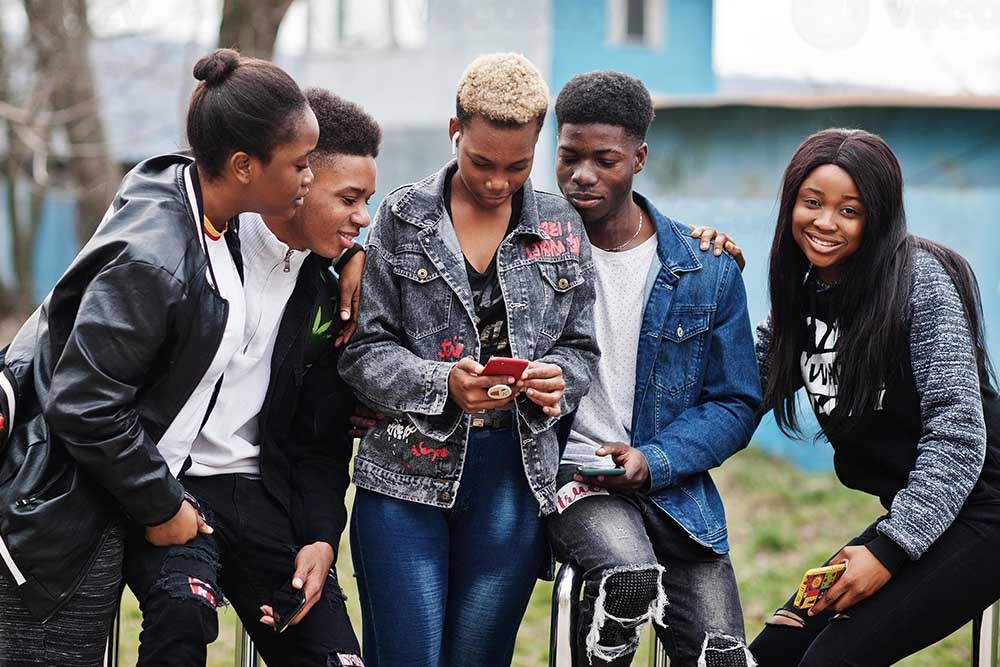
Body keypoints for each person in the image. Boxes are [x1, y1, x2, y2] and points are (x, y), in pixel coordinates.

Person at [0, 49, 317, 666]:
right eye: (301, 164)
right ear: (245, 165)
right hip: (61, 510)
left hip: (104, 494)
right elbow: (85, 405)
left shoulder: (188, 190)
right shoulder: (158, 259)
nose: (310, 176)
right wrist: (163, 505)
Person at [338, 52, 599, 666]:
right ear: (454, 132)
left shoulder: (562, 225)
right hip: (404, 476)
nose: (496, 182)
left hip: (512, 478)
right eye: (481, 161)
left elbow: (582, 349)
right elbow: (364, 354)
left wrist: (559, 379)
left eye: (518, 166)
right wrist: (441, 384)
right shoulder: (401, 218)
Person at [121, 85, 379, 666]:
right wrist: (157, 500)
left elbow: (323, 436)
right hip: (171, 486)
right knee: (182, 615)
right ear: (299, 178)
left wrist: (318, 537)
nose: (363, 218)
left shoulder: (326, 289)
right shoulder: (202, 249)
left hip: (265, 494)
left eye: (368, 200)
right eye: (350, 198)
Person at [746, 128, 1000, 666]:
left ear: (878, 217)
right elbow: (736, 386)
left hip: (985, 507)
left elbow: (957, 434)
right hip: (922, 511)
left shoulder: (918, 281)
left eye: (849, 210)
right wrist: (704, 266)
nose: (824, 222)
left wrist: (887, 549)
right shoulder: (806, 294)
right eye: (811, 203)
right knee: (769, 656)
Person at [542, 71, 761, 667]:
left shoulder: (705, 267)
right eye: (568, 157)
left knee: (723, 655)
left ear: (639, 157)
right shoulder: (526, 252)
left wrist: (654, 460)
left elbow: (736, 402)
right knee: (626, 579)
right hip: (575, 481)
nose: (582, 175)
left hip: (675, 491)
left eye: (604, 160)